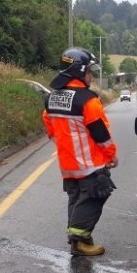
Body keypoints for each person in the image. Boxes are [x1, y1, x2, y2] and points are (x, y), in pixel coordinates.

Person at [42, 47, 118, 256]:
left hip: (68, 165)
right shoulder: (88, 100)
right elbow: (101, 134)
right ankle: (80, 240)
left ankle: (77, 238)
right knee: (95, 196)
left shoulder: (51, 98)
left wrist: (64, 145)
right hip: (90, 164)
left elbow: (49, 125)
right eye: (89, 71)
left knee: (76, 199)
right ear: (79, 71)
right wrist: (111, 156)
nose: (91, 76)